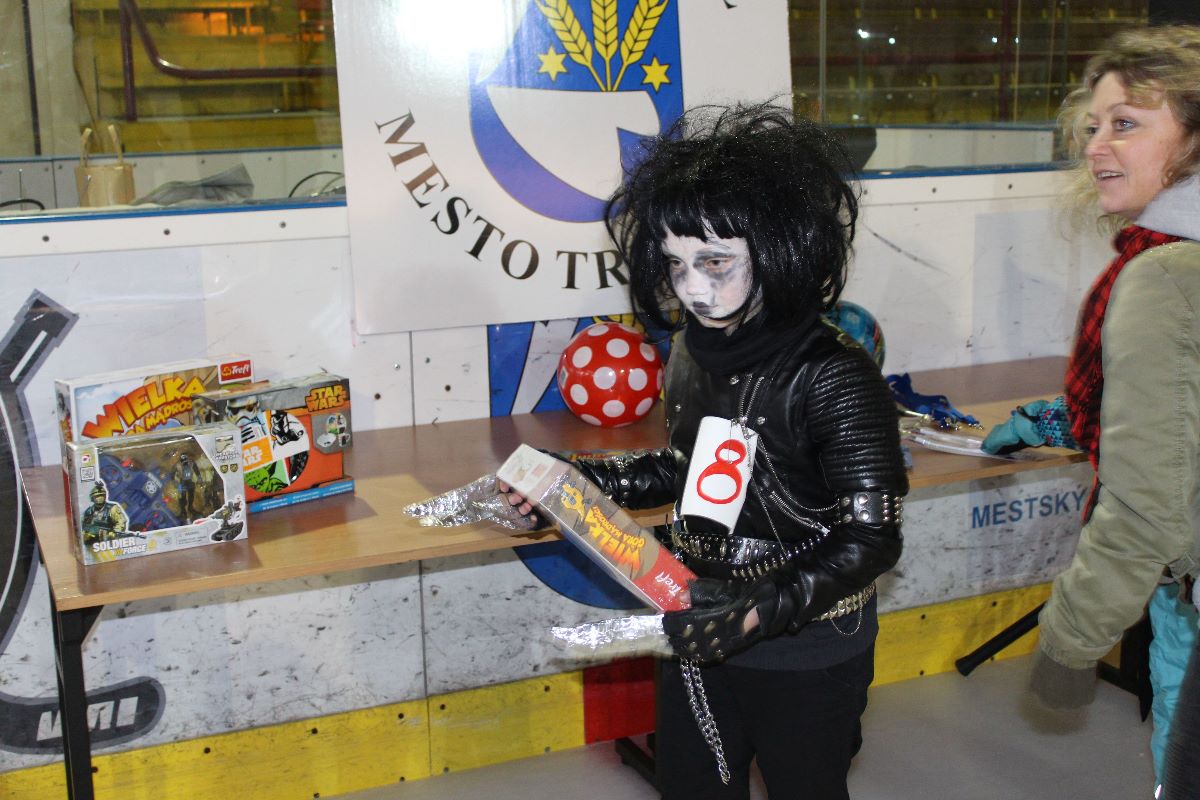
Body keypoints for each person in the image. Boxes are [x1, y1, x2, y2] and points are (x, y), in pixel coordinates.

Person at [501, 102, 908, 799]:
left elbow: (871, 538)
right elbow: (695, 471)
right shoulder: (693, 349)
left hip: (805, 648)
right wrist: (574, 484)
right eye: (675, 263)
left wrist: (754, 611)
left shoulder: (835, 375)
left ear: (779, 249)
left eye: (715, 262)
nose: (692, 288)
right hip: (696, 622)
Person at [980, 25, 1200, 794]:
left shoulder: (1164, 275)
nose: (1096, 145)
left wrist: (1071, 640)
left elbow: (1148, 499)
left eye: (1127, 123)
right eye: (1094, 124)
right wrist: (1051, 419)